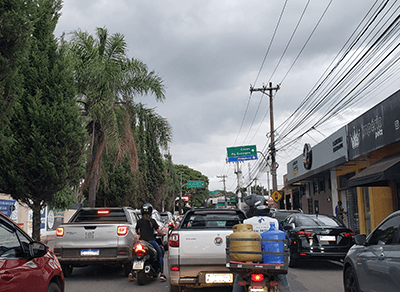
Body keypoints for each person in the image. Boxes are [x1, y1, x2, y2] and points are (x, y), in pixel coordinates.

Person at [233, 195, 292, 292]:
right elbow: (285, 239)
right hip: (272, 259)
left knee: (239, 278)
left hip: (250, 259)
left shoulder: (246, 222)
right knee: (282, 279)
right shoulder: (274, 221)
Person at [130, 203, 167, 282]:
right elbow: (158, 231)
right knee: (160, 253)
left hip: (141, 242)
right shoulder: (152, 221)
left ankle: (131, 272)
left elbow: (136, 230)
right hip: (151, 241)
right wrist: (163, 233)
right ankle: (162, 273)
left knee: (134, 255)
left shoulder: (139, 221)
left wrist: (140, 234)